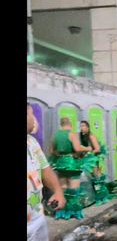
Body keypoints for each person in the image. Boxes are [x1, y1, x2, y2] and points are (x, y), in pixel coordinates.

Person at [27, 102, 66, 241]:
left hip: (36, 219)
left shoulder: (32, 142)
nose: (34, 119)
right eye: (31, 114)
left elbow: (45, 169)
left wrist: (57, 190)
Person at [49, 117, 92, 219]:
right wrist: (87, 148)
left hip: (60, 163)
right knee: (74, 188)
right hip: (72, 164)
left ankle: (62, 211)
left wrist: (60, 155)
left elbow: (51, 151)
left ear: (61, 124)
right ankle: (73, 211)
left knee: (63, 187)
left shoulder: (55, 135)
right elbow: (77, 149)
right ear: (70, 124)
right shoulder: (72, 134)